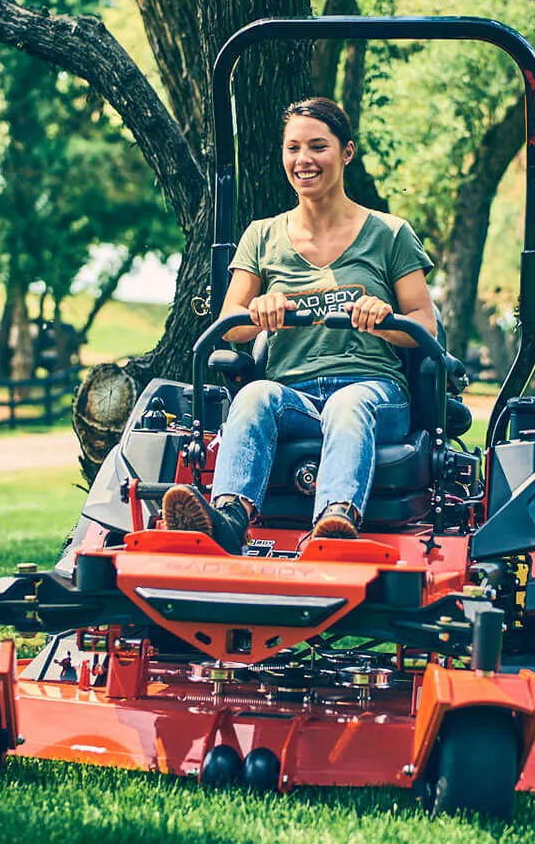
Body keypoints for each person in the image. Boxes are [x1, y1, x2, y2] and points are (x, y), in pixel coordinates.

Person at [162, 97, 438, 553]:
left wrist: (383, 319)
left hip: (373, 392)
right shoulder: (262, 236)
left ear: (346, 153)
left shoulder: (390, 234)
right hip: (295, 395)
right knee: (253, 395)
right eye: (293, 148)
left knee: (347, 404)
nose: (303, 160)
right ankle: (229, 520)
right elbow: (231, 327)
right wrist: (259, 311)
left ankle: (335, 523)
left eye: (318, 147)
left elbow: (425, 324)